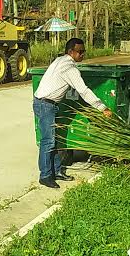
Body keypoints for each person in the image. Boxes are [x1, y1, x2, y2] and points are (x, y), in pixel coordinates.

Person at [33, 38, 113, 189]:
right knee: (48, 141)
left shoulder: (60, 60)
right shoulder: (69, 68)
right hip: (45, 104)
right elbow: (83, 90)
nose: (82, 54)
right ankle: (45, 176)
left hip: (48, 103)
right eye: (80, 52)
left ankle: (56, 171)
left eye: (84, 51)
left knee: (55, 140)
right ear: (70, 52)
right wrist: (102, 108)